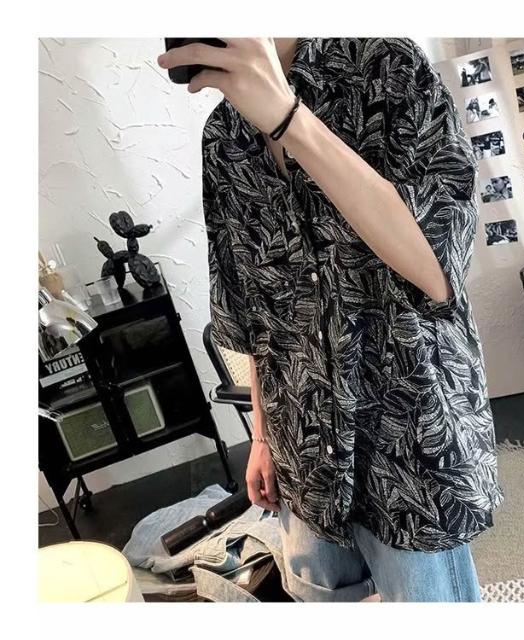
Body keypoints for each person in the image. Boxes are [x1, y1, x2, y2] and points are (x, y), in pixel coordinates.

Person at [158, 37, 504, 603]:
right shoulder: (223, 139)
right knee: (321, 600)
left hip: (406, 440)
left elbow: (438, 269)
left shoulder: (387, 67)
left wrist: (289, 119)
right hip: (303, 447)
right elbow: (259, 320)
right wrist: (262, 438)